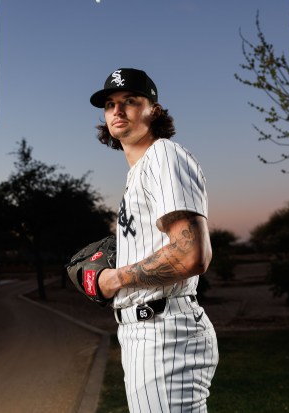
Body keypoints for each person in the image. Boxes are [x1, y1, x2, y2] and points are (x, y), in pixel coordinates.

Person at [90, 68, 219, 413]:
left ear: (154, 111)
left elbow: (191, 254)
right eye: (110, 104)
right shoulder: (138, 173)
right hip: (144, 330)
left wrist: (115, 277)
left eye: (130, 101)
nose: (117, 111)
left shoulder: (163, 154)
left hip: (164, 330)